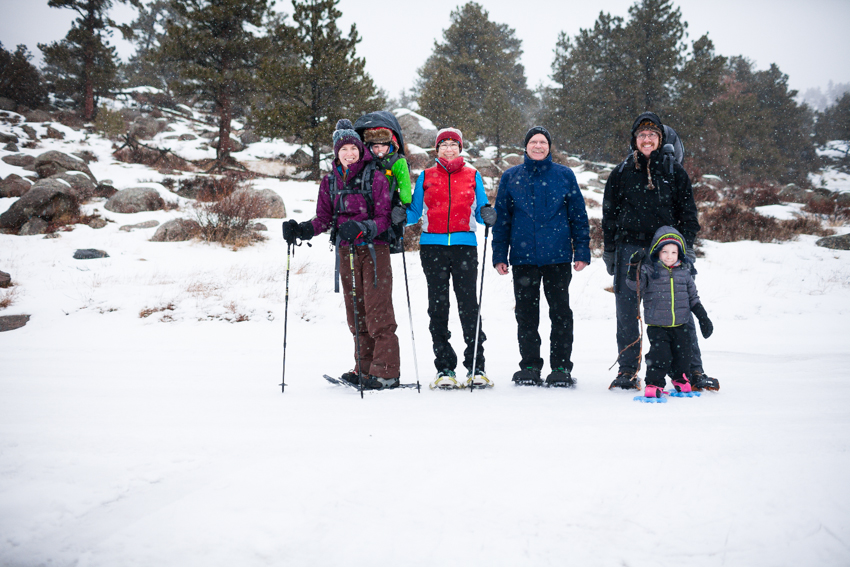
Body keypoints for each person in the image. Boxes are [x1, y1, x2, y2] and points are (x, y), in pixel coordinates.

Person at [602, 112, 719, 391]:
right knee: (627, 312)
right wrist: (610, 251)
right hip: (629, 249)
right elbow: (609, 216)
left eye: (652, 135)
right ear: (634, 140)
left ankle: (693, 370)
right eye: (642, 135)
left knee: (679, 309)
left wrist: (685, 249)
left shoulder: (674, 172)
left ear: (660, 139)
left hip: (666, 251)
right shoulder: (620, 172)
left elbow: (688, 216)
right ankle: (628, 370)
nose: (647, 139)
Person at [282, 119, 401, 390]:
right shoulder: (329, 182)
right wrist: (301, 230)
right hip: (345, 252)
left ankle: (386, 371)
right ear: (336, 152)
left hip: (374, 250)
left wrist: (362, 227)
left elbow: (384, 218)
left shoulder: (376, 177)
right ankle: (365, 367)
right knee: (355, 312)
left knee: (378, 311)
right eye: (343, 149)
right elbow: (323, 219)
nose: (349, 153)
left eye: (353, 148)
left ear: (361, 150)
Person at [492, 126, 590, 387]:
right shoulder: (511, 177)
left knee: (560, 313)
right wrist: (499, 254)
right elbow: (502, 220)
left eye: (543, 142)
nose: (538, 146)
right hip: (523, 259)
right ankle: (530, 366)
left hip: (557, 258)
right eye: (533, 142)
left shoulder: (564, 175)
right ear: (525, 147)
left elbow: (578, 216)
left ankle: (560, 367)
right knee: (526, 315)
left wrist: (581, 251)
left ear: (549, 147)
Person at [406, 127, 496, 389]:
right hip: (432, 248)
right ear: (437, 149)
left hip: (464, 246)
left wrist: (489, 214)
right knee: (438, 306)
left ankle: (476, 366)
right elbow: (414, 212)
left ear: (460, 148)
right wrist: (398, 216)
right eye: (443, 144)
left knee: (468, 305)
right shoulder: (426, 176)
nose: (448, 148)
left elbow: (480, 211)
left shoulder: (473, 175)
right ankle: (444, 367)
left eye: (453, 144)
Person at [625, 226, 714, 398]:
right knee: (660, 355)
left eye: (673, 252)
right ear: (657, 252)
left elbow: (693, 298)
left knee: (683, 354)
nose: (669, 256)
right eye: (664, 251)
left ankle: (680, 378)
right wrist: (633, 266)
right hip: (657, 325)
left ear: (679, 253)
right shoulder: (649, 271)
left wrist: (703, 318)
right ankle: (654, 383)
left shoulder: (685, 273)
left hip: (681, 324)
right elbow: (635, 286)